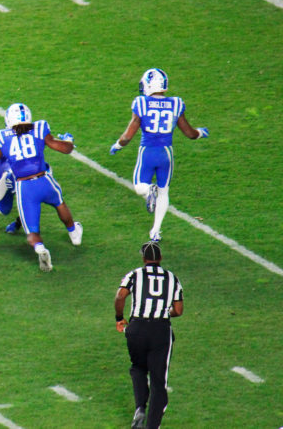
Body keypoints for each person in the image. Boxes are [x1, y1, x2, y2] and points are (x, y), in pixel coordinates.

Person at [0, 103, 82, 271]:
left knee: (32, 232)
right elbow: (64, 148)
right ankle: (74, 233)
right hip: (44, 179)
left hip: (24, 187)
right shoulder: (39, 129)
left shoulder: (2, 137)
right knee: (60, 203)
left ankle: (40, 249)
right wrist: (69, 140)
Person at [109, 68, 209, 243]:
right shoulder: (176, 103)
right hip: (166, 153)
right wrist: (200, 133)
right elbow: (189, 133)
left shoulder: (141, 103)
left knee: (140, 186)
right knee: (164, 192)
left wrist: (117, 145)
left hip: (147, 151)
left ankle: (149, 190)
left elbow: (127, 136)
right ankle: (155, 231)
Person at [114, 242, 184, 429]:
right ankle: (152, 426)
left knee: (137, 367)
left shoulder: (135, 274)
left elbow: (120, 296)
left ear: (144, 259)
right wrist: (161, 310)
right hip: (160, 330)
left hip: (136, 327)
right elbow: (178, 310)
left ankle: (140, 408)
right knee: (158, 381)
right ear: (160, 258)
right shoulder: (172, 278)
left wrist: (119, 318)